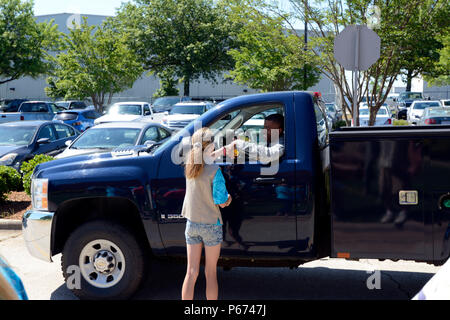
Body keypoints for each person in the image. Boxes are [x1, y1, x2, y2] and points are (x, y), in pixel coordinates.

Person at [181, 127, 232, 300]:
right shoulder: (215, 171)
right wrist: (229, 198)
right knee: (210, 273)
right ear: (210, 146)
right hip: (211, 224)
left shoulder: (190, 167)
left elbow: (205, 157)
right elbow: (221, 201)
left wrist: (221, 151)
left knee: (191, 272)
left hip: (191, 224)